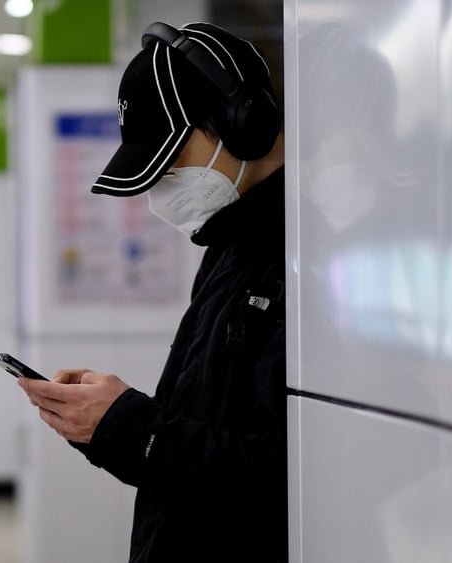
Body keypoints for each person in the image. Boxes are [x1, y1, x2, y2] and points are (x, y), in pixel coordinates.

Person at [17, 22, 287, 562]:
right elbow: (211, 422)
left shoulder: (305, 261)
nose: (161, 185)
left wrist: (127, 426)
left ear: (246, 121)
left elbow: (285, 470)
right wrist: (106, 420)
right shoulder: (227, 249)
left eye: (170, 158)